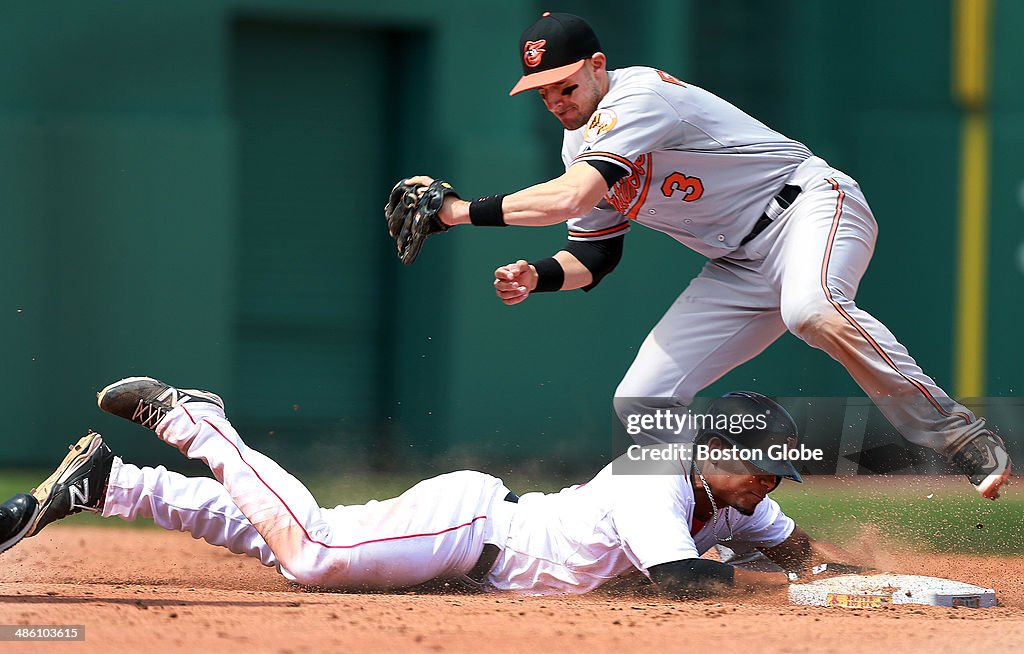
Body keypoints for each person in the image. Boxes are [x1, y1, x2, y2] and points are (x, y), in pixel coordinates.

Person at [401, 12, 1011, 499]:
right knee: (642, 400)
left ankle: (962, 438)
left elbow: (571, 198)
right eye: (542, 91)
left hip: (807, 206)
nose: (556, 99)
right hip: (739, 264)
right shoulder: (576, 144)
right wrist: (538, 276)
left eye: (565, 84)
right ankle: (690, 524)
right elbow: (595, 253)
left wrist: (457, 211)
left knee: (812, 309)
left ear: (596, 66)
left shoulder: (637, 99)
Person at [0, 378, 861, 596]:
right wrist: (779, 597)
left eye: (777, 474)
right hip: (470, 528)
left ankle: (112, 484)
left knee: (278, 533)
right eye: (761, 467)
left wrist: (857, 584)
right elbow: (681, 584)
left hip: (470, 547)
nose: (767, 487)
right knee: (312, 554)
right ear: (713, 449)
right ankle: (195, 421)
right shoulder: (654, 478)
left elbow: (796, 552)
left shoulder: (738, 496)